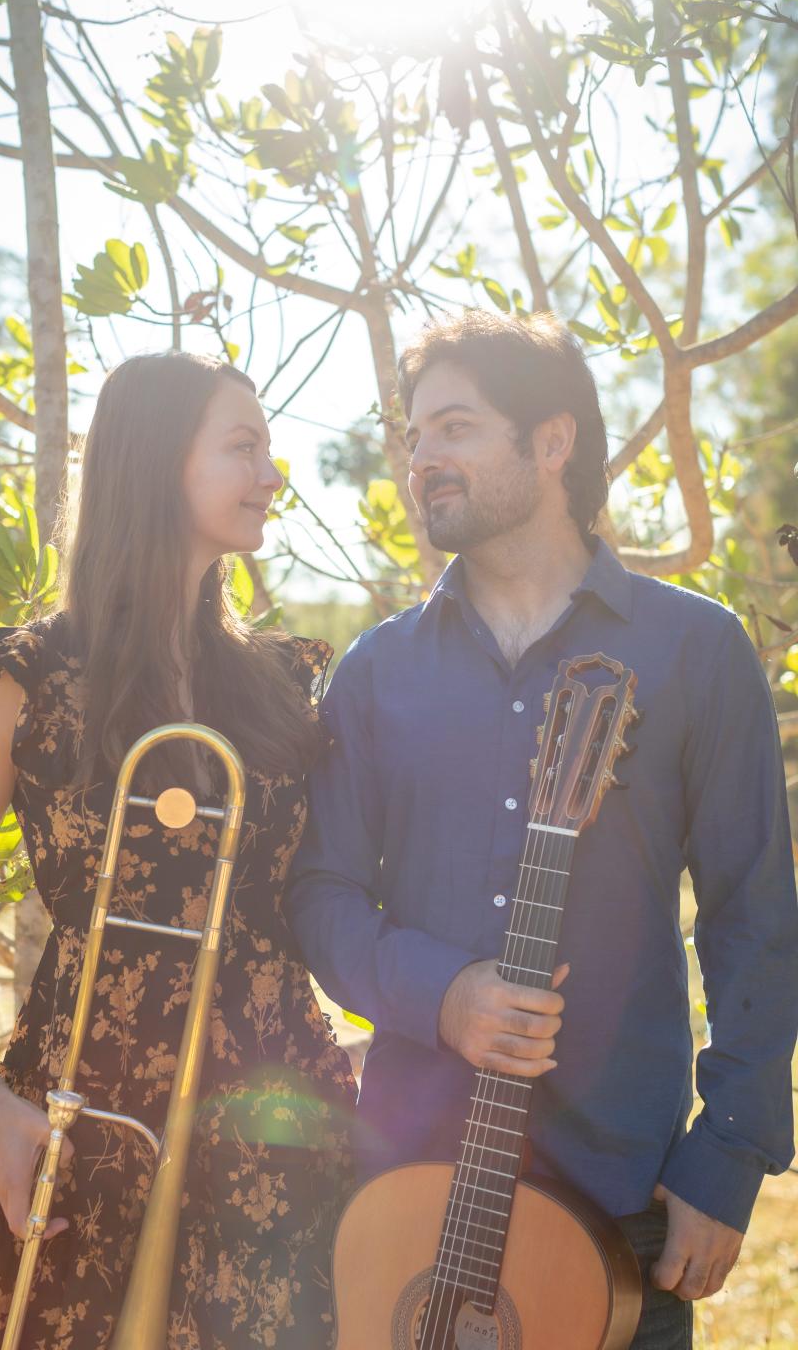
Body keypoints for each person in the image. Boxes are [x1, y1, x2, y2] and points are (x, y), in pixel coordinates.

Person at [285, 311, 798, 1350]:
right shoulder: (377, 672)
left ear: (552, 442)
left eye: (457, 428)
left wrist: (729, 1155)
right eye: (416, 435)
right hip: (411, 1200)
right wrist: (445, 995)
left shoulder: (697, 648)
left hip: (627, 1199)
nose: (424, 458)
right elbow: (321, 898)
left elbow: (755, 915)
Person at [0, 352, 355, 1350]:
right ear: (154, 463)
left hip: (275, 1124)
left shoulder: (282, 685)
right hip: (82, 1126)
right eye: (244, 446)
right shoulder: (22, 678)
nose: (274, 474)